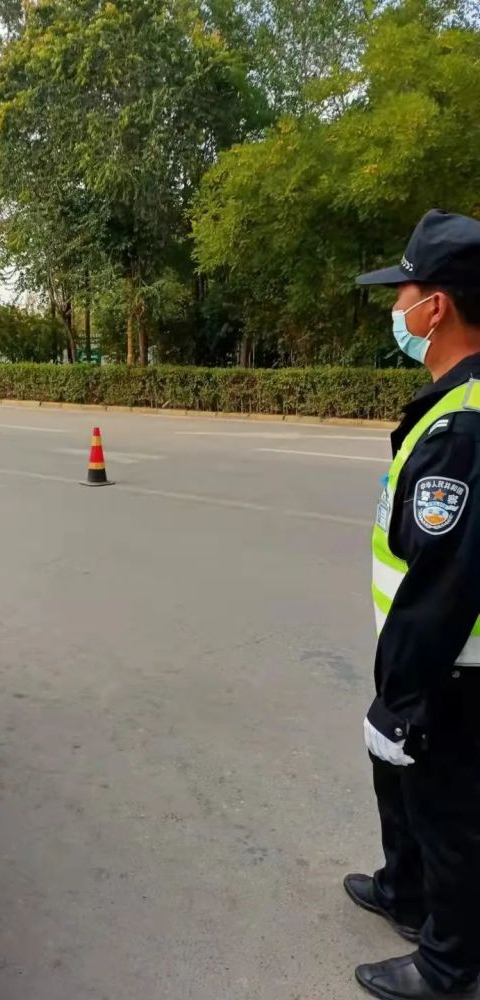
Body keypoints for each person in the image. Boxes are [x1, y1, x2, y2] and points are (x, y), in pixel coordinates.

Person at [344, 210, 480, 1000]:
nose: (397, 308)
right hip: (422, 654)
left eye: (406, 292)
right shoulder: (449, 402)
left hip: (452, 667)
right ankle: (405, 891)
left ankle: (449, 965)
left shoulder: (464, 423)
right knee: (399, 782)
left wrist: (405, 693)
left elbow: (448, 578)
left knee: (449, 811)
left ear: (440, 307)